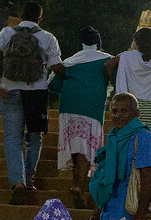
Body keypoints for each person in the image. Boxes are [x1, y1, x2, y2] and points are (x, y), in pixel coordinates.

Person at [0, 0, 61, 204]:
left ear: (20, 16)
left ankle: (18, 182)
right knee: (34, 138)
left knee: (12, 138)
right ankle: (29, 179)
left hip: (9, 90)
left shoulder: (6, 33)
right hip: (37, 93)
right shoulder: (47, 37)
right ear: (40, 19)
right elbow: (56, 66)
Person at [48, 27, 112, 208]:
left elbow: (52, 84)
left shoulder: (70, 61)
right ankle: (79, 186)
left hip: (68, 107)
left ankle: (76, 184)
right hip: (91, 108)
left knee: (76, 148)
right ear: (98, 42)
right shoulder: (107, 59)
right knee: (84, 148)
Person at [104, 26, 151, 139]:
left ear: (136, 42)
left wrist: (114, 82)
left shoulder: (125, 56)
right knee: (149, 152)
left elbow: (108, 65)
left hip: (129, 111)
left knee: (128, 152)